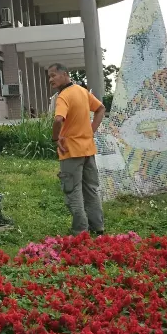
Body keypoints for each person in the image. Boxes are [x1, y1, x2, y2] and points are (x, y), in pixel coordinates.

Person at [47, 63, 106, 236]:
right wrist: (91, 130)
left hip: (70, 151)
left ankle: (80, 231)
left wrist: (55, 138)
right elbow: (101, 109)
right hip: (88, 150)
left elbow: (58, 119)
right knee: (91, 189)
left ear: (65, 74)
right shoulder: (82, 91)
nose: (50, 79)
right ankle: (98, 227)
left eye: (53, 75)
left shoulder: (63, 96)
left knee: (73, 191)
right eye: (49, 76)